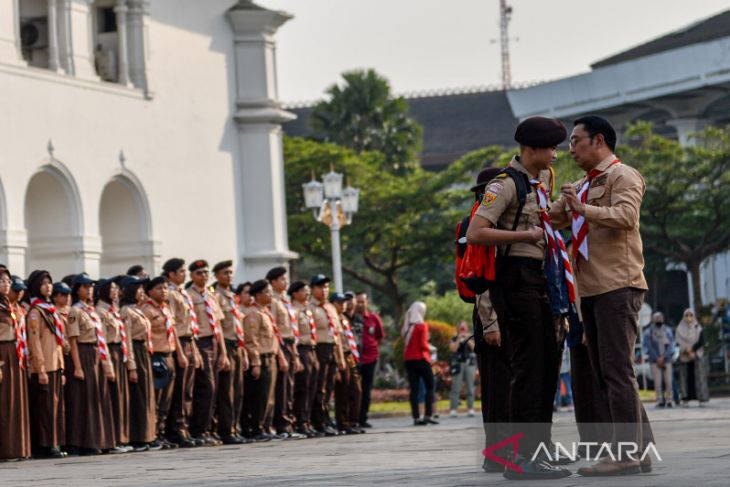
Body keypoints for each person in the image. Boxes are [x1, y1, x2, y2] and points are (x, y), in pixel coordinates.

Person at [550, 115, 654, 476]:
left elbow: (626, 215)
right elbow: (554, 220)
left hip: (618, 285)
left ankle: (625, 454)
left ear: (598, 141)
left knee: (616, 371)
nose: (570, 149)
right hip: (590, 289)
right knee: (609, 371)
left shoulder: (624, 175)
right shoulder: (581, 184)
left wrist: (583, 208)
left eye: (576, 141)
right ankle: (639, 451)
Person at [467, 116, 569, 480]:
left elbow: (545, 224)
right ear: (531, 150)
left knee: (545, 365)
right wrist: (525, 238)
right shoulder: (505, 184)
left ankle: (537, 450)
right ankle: (520, 457)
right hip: (514, 280)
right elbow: (478, 232)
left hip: (538, 280)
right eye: (551, 148)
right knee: (527, 367)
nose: (556, 154)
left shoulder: (539, 182)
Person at [65, 273, 117, 455]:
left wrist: (106, 364)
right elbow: (72, 341)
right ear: (77, 289)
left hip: (95, 354)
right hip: (83, 353)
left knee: (97, 397)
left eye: (91, 286)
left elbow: (101, 339)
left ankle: (99, 439)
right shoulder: (75, 311)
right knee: (84, 400)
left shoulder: (92, 311)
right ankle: (83, 442)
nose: (89, 290)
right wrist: (77, 366)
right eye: (85, 286)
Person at [187, 259, 230, 446]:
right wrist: (195, 350)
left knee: (215, 389)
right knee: (206, 387)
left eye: (205, 273)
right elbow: (189, 325)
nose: (203, 276)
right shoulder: (188, 295)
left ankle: (208, 429)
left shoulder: (211, 296)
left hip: (214, 342)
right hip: (200, 342)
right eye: (199, 273)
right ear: (191, 276)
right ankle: (198, 430)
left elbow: (218, 325)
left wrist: (224, 353)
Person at [162, 258, 202, 448]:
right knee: (180, 389)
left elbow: (189, 325)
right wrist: (180, 352)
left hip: (189, 340)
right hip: (179, 342)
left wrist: (194, 349)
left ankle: (184, 427)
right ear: (171, 274)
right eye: (181, 272)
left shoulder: (182, 292)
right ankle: (176, 430)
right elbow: (173, 325)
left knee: (188, 389)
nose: (184, 274)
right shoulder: (170, 294)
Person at [242, 279, 286, 441]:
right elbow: (251, 340)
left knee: (270, 397)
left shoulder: (266, 312)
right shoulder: (253, 314)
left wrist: (279, 357)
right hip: (261, 358)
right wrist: (255, 363)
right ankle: (257, 428)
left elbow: (274, 338)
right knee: (260, 397)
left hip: (271, 357)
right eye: (267, 292)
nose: (270, 295)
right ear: (258, 295)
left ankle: (266, 426)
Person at [96, 278, 136, 453]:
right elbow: (101, 340)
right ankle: (112, 439)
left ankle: (121, 437)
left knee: (121, 398)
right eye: (111, 288)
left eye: (116, 288)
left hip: (119, 354)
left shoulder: (115, 310)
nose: (115, 291)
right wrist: (107, 366)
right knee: (113, 397)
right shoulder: (101, 312)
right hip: (110, 354)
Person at [141, 276, 181, 449]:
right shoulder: (147, 310)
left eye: (165, 288)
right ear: (150, 292)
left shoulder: (166, 309)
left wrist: (179, 354)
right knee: (156, 399)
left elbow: (173, 332)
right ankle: (153, 434)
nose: (164, 291)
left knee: (166, 399)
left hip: (169, 354)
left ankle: (162, 432)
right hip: (156, 356)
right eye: (159, 288)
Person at [120, 275, 158, 452]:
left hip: (144, 351)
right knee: (139, 396)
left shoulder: (138, 309)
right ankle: (139, 437)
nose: (142, 293)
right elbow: (126, 338)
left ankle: (149, 435)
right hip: (135, 350)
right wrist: (132, 365)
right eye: (139, 289)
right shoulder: (126, 311)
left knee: (147, 394)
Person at [212, 261, 249, 444]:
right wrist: (223, 353)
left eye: (230, 273)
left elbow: (238, 325)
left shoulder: (232, 296)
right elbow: (218, 326)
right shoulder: (216, 297)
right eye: (225, 273)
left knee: (238, 391)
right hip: (226, 345)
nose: (229, 276)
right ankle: (226, 430)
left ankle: (235, 427)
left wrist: (244, 351)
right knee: (227, 391)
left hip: (237, 346)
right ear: (217, 276)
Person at [267, 266, 304, 439]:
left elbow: (293, 328)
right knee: (281, 386)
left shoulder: (285, 301)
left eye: (285, 278)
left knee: (289, 385)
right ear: (273, 282)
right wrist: (280, 353)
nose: (285, 281)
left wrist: (295, 353)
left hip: (290, 344)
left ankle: (288, 422)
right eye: (281, 279)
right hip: (280, 344)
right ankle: (281, 424)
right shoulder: (272, 302)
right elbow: (273, 329)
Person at [0, 267, 32, 460]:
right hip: (3, 354)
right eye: (2, 281)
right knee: (4, 403)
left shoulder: (10, 307)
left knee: (16, 403)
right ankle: (5, 449)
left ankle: (18, 448)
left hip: (15, 354)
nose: (6, 284)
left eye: (8, 281)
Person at [309, 274, 346, 436]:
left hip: (332, 348)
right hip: (318, 348)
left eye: (326, 287)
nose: (324, 290)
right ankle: (318, 421)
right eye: (320, 287)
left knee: (329, 387)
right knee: (319, 387)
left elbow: (336, 334)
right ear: (312, 289)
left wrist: (340, 357)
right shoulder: (310, 308)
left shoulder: (330, 308)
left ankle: (326, 418)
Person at [288, 280, 321, 438]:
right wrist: (296, 356)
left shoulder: (307, 310)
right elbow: (294, 335)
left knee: (312, 387)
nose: (307, 294)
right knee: (302, 388)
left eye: (308, 291)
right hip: (300, 349)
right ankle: (300, 421)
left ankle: (307, 421)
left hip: (311, 349)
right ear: (295, 293)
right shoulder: (292, 310)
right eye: (304, 291)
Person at [331, 292, 363, 434]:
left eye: (344, 302)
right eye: (339, 302)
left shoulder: (343, 318)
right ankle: (343, 422)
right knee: (343, 390)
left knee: (356, 390)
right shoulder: (332, 318)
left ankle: (353, 420)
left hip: (349, 356)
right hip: (341, 355)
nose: (343, 305)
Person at [402, 301, 438, 426]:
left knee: (414, 389)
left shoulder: (407, 327)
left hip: (409, 360)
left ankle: (416, 417)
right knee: (430, 386)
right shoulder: (422, 326)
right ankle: (428, 415)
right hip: (421, 359)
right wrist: (432, 349)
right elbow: (423, 345)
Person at [352, 291, 383, 428]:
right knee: (353, 389)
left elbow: (379, 337)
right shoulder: (350, 318)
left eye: (362, 301)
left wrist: (373, 350)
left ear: (367, 302)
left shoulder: (374, 318)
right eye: (357, 301)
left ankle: (363, 418)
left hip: (370, 358)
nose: (360, 304)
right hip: (354, 359)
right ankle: (353, 417)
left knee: (366, 389)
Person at [676, 308, 710, 406]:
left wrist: (692, 350)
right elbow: (678, 341)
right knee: (684, 379)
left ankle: (702, 399)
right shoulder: (679, 328)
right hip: (684, 356)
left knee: (699, 377)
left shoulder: (698, 327)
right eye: (686, 315)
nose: (688, 317)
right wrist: (686, 350)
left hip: (696, 355)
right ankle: (685, 399)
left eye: (690, 315)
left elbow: (701, 341)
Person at [644, 312, 675, 408]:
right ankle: (660, 401)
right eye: (657, 318)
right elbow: (648, 347)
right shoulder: (648, 332)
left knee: (669, 382)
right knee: (657, 383)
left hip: (667, 360)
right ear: (653, 319)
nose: (659, 319)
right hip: (655, 361)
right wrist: (657, 358)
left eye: (661, 317)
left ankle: (669, 400)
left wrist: (664, 357)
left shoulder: (668, 330)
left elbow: (671, 345)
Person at [448, 322, 477, 418]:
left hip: (470, 364)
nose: (463, 331)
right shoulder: (454, 338)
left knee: (470, 387)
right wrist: (459, 339)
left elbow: (475, 348)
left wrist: (467, 339)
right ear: (458, 329)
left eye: (464, 329)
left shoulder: (471, 337)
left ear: (467, 329)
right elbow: (453, 349)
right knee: (455, 388)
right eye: (461, 329)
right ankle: (453, 409)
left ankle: (470, 409)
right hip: (458, 364)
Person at [554, 344, 573, 412]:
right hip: (558, 370)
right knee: (557, 389)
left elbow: (569, 357)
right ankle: (558, 404)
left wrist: (569, 368)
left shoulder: (566, 344)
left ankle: (570, 404)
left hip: (565, 369)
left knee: (568, 387)